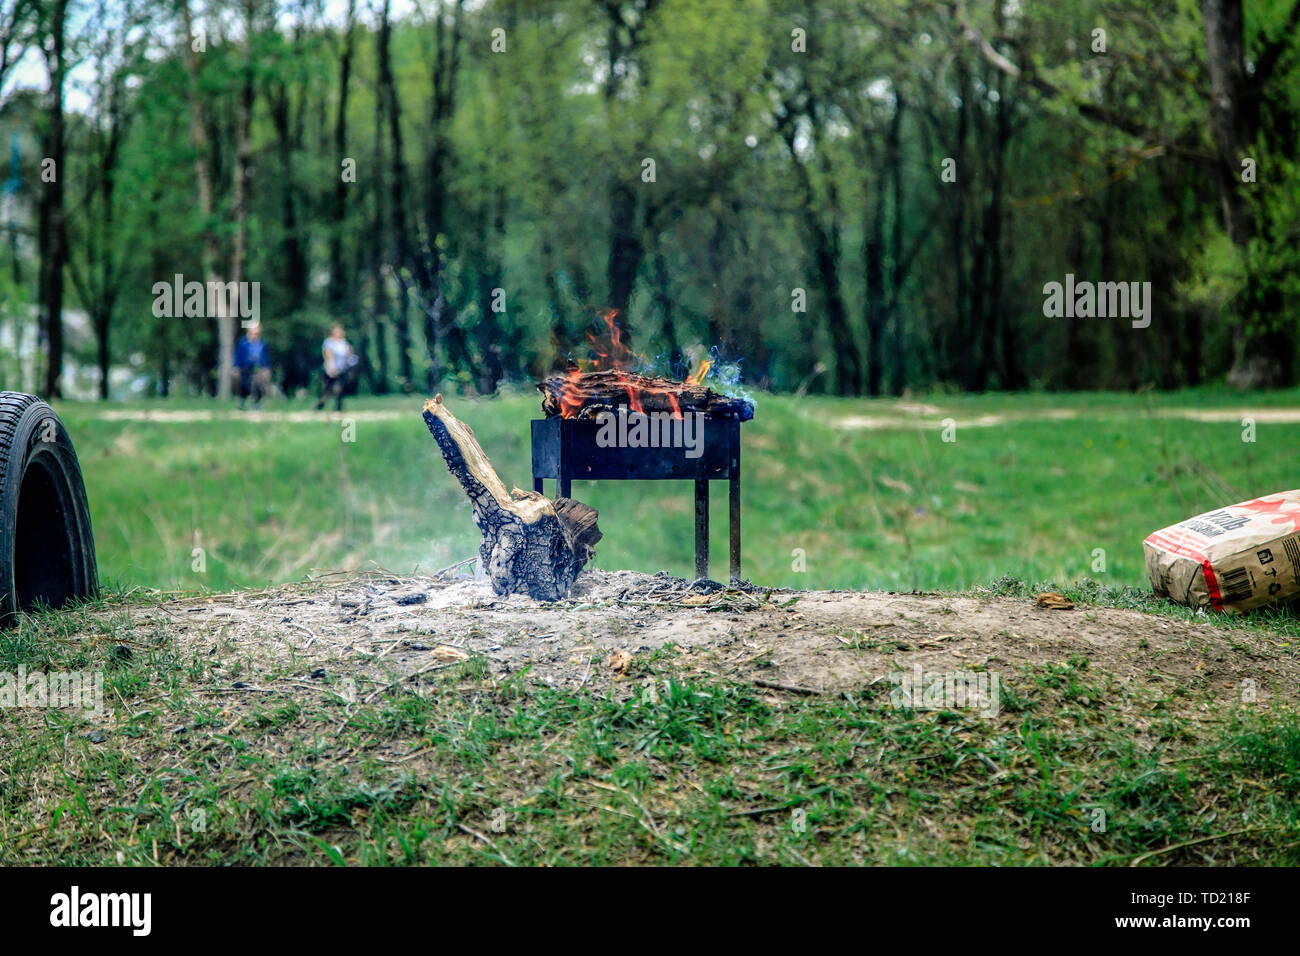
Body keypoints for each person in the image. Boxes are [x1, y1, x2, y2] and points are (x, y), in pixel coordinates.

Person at [316, 324, 357, 411]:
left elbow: (349, 355)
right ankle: (320, 404)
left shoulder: (344, 343)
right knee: (328, 390)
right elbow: (328, 356)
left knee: (340, 388)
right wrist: (330, 368)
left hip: (342, 369)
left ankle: (339, 408)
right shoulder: (329, 342)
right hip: (331, 369)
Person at [233, 323, 272, 410]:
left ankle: (256, 405)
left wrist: (266, 368)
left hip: (258, 369)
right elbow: (238, 356)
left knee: (258, 386)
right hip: (245, 368)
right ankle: (241, 404)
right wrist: (236, 366)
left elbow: (265, 357)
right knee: (244, 385)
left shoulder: (262, 344)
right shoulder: (243, 343)